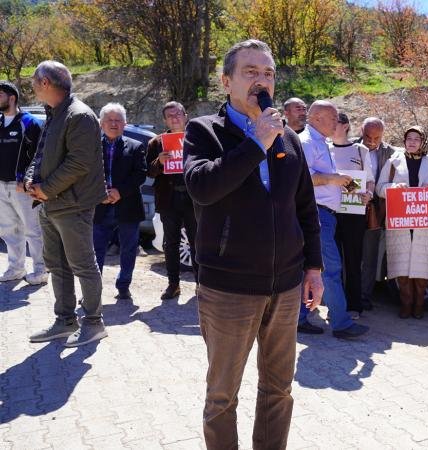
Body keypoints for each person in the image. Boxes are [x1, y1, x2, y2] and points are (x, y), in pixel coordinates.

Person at [182, 39, 324, 448]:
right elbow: (202, 187)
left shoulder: (289, 138)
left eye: (268, 74)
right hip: (229, 288)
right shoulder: (203, 131)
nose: (262, 81)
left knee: (279, 390)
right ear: (227, 82)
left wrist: (313, 268)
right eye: (250, 72)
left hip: (285, 287)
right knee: (222, 397)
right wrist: (255, 143)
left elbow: (305, 207)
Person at [25, 60, 107, 347]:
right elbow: (40, 154)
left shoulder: (79, 115)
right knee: (56, 265)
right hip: (50, 204)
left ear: (45, 82)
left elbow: (79, 163)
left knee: (83, 265)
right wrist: (30, 180)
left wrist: (46, 189)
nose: (32, 86)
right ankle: (65, 320)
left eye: (34, 81)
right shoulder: (54, 113)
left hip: (73, 205)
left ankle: (94, 323)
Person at [298, 100, 369, 339]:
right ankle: (341, 324)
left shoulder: (320, 142)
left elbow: (324, 178)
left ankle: (299, 318)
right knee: (330, 269)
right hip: (318, 214)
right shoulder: (308, 142)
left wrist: (349, 187)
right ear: (317, 118)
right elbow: (303, 177)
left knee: (313, 268)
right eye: (333, 118)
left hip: (324, 214)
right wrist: (333, 179)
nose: (336, 123)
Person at [377, 126, 428, 319]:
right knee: (402, 266)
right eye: (409, 138)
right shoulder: (393, 161)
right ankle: (406, 304)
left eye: (416, 139)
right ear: (404, 141)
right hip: (400, 222)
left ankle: (419, 305)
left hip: (424, 222)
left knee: (422, 266)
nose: (412, 142)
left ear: (423, 141)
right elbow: (379, 188)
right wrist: (393, 187)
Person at [92, 103, 147, 300]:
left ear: (125, 123)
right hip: (99, 206)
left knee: (128, 249)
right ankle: (93, 290)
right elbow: (84, 175)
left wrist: (119, 192)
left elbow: (140, 174)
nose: (113, 124)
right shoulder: (90, 147)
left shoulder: (136, 146)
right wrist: (101, 192)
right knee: (96, 250)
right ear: (101, 123)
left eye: (118, 120)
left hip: (128, 206)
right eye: (109, 120)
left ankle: (124, 286)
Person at [146, 101, 198, 299]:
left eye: (178, 114)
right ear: (165, 120)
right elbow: (149, 172)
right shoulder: (156, 143)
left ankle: (200, 284)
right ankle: (173, 284)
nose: (174, 118)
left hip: (194, 198)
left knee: (197, 243)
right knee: (171, 243)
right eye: (170, 116)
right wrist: (159, 162)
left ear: (185, 116)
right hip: (169, 199)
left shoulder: (197, 138)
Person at [0, 80, 46, 285]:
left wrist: (27, 181)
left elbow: (39, 156)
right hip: (1, 186)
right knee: (9, 230)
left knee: (32, 230)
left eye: (0, 95)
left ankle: (41, 270)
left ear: (12, 98)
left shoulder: (30, 123)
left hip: (23, 188)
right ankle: (16, 269)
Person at [331, 112, 374, 318]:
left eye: (336, 122)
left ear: (346, 125)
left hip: (353, 212)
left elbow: (370, 180)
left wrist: (369, 194)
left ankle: (354, 306)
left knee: (353, 260)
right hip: (329, 212)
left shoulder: (360, 150)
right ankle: (336, 307)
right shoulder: (324, 148)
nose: (332, 126)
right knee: (333, 262)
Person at [359, 117, 400, 310]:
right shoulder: (351, 147)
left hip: (375, 211)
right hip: (349, 207)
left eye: (377, 138)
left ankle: (364, 297)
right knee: (348, 255)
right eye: (368, 137)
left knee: (370, 257)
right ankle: (347, 295)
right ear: (361, 131)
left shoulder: (391, 154)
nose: (372, 142)